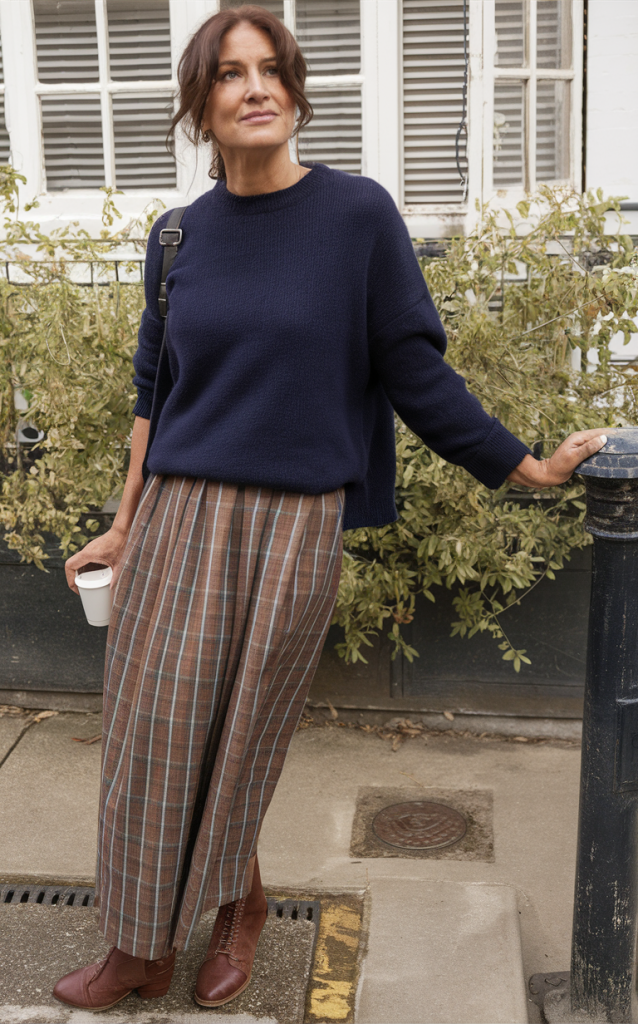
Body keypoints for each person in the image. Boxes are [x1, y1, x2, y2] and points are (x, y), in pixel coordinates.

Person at [52, 4, 607, 1013]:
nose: (256, 87)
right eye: (230, 74)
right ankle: (138, 949)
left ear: (296, 93)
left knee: (236, 740)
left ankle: (236, 912)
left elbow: (412, 372)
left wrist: (521, 465)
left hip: (291, 522)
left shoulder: (355, 217)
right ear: (201, 106)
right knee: (149, 732)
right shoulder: (177, 236)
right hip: (177, 511)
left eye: (272, 70)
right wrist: (124, 523)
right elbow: (152, 395)